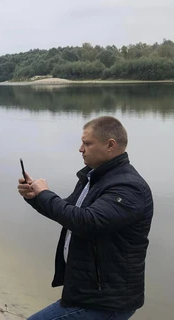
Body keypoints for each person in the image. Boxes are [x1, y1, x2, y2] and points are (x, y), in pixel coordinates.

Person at [17, 116, 153, 320]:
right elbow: (69, 214)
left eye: (87, 143)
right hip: (86, 294)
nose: (81, 149)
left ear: (110, 145)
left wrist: (45, 194)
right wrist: (35, 197)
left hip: (107, 302)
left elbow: (87, 222)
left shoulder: (128, 187)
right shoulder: (93, 177)